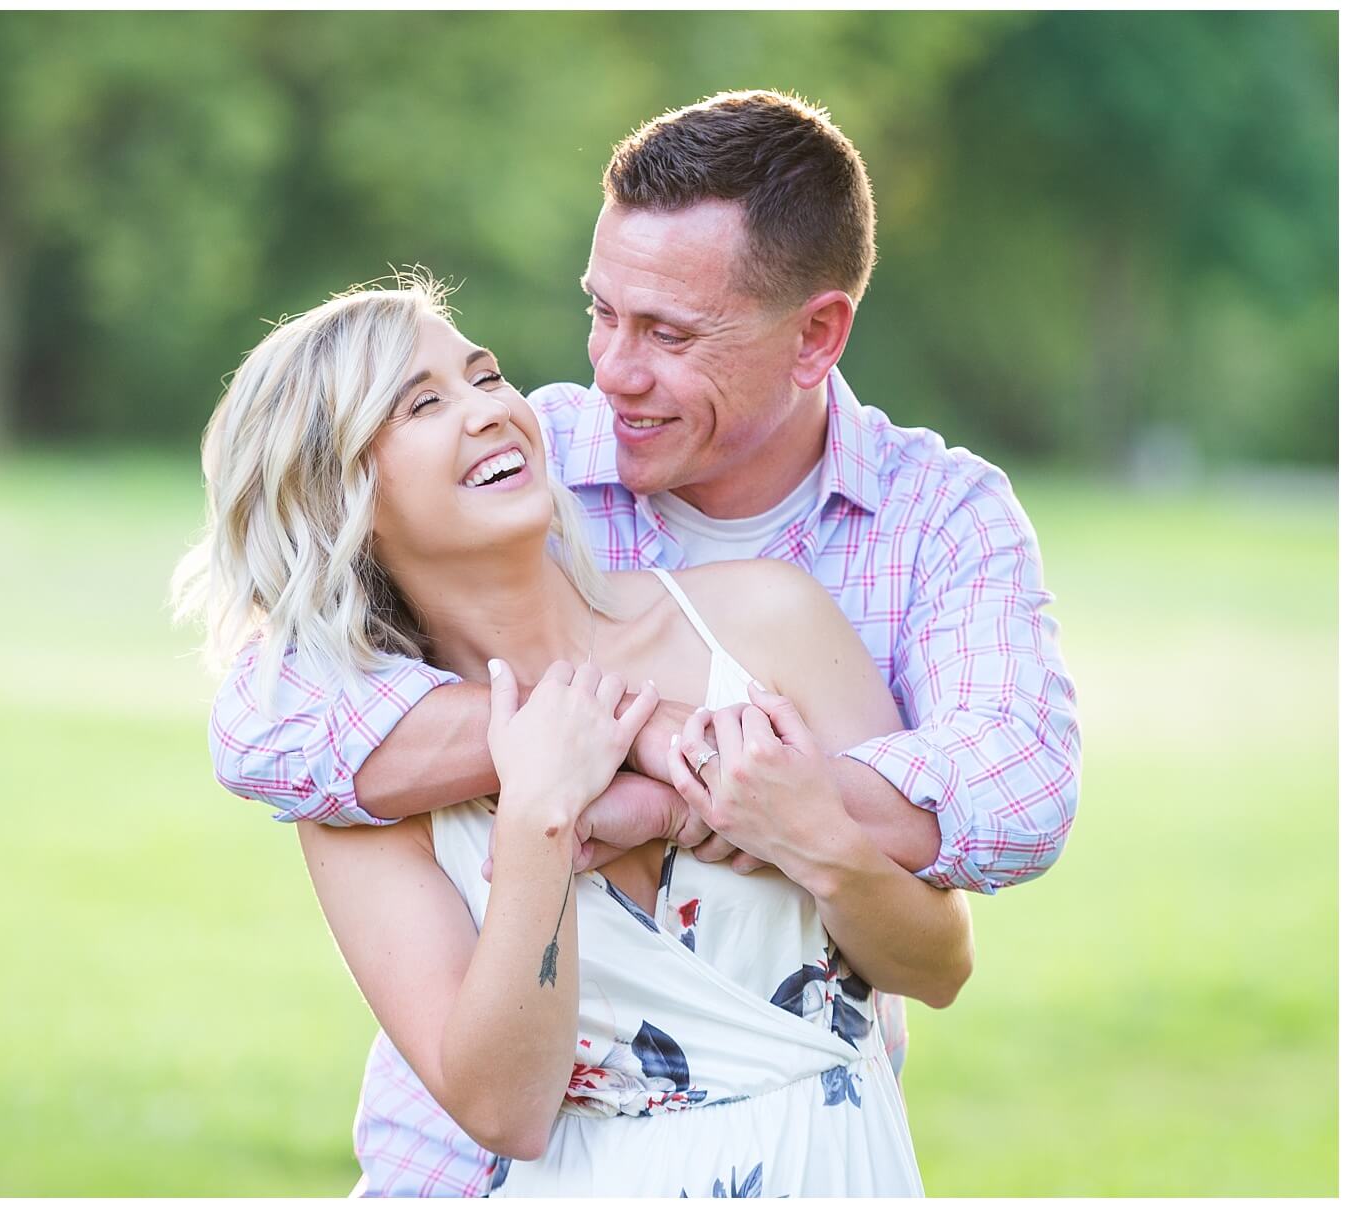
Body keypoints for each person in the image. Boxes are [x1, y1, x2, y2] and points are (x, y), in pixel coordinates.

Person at [205, 90, 1081, 1196]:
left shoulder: (897, 539)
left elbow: (1011, 807)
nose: (609, 373)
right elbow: (261, 729)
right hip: (462, 1173)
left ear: (815, 335)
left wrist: (717, 794)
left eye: (668, 333)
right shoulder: (535, 465)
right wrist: (626, 745)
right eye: (601, 312)